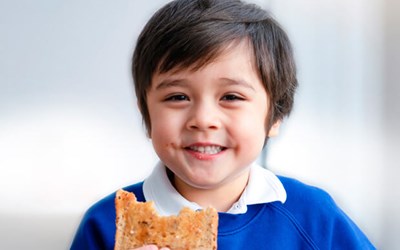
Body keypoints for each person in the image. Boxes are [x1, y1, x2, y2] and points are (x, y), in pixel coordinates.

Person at [71, 0, 375, 249]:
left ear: (276, 114)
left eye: (230, 96)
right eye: (177, 97)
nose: (203, 119)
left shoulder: (312, 216)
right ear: (146, 115)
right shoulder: (105, 226)